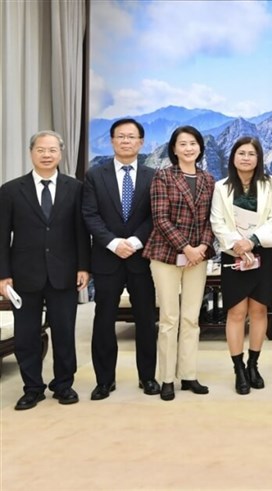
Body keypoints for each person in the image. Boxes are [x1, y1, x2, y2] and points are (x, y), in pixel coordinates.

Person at [0, 130, 90, 410]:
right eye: (41, 150)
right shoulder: (11, 190)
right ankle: (32, 388)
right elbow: (2, 236)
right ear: (32, 153)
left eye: (52, 150)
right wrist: (3, 275)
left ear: (61, 154)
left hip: (64, 272)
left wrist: (83, 267)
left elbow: (81, 232)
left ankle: (64, 385)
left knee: (64, 331)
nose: (47, 155)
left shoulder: (75, 188)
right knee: (26, 334)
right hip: (24, 274)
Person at [82, 118, 160, 400]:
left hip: (142, 260)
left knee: (146, 319)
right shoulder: (95, 175)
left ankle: (148, 377)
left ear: (141, 142)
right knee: (103, 320)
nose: (126, 141)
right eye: (120, 136)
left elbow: (156, 215)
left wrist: (136, 242)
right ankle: (104, 380)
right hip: (107, 258)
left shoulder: (154, 176)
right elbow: (89, 214)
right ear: (111, 141)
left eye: (132, 137)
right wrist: (114, 243)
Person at [143, 125, 215, 401]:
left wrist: (202, 247)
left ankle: (188, 375)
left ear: (200, 147)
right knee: (169, 318)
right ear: (174, 149)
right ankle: (166, 378)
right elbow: (160, 218)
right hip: (165, 255)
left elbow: (212, 218)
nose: (188, 148)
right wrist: (186, 247)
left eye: (193, 143)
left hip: (198, 256)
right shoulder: (163, 177)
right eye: (182, 144)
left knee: (191, 318)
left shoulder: (208, 179)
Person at [210, 137, 272, 394]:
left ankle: (254, 364)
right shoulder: (221, 187)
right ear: (233, 157)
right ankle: (238, 368)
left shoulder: (270, 184)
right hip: (235, 255)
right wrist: (238, 245)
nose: (246, 158)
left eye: (252, 153)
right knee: (236, 313)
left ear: (258, 158)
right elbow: (217, 223)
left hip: (263, 254)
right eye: (241, 153)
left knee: (259, 311)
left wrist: (251, 241)